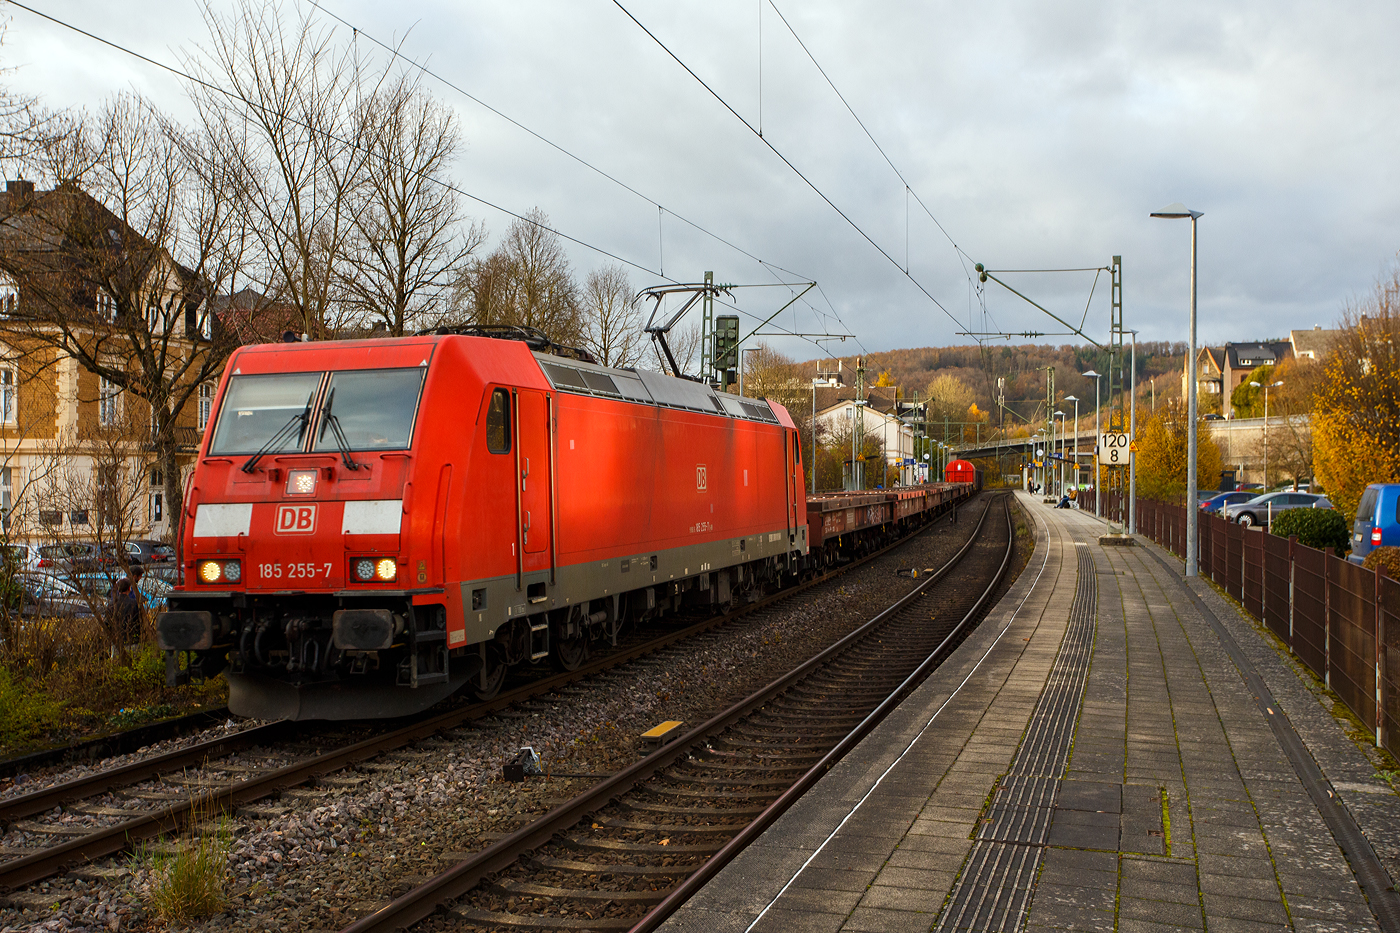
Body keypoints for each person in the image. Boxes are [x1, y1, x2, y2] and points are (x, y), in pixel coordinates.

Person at [111, 577, 142, 647]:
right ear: (129, 588)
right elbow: (138, 621)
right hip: (131, 639)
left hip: (116, 640)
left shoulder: (112, 604)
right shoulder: (133, 603)